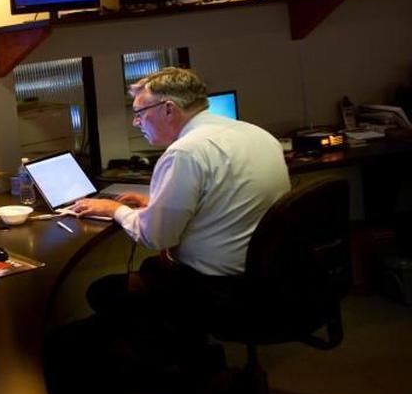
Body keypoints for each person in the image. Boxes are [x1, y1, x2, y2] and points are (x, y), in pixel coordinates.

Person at [71, 67, 290, 333]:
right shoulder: (257, 134)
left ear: (168, 109)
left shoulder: (185, 153)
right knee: (152, 268)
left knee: (103, 290)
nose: (136, 123)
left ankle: (166, 363)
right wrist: (156, 205)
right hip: (266, 274)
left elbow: (156, 237)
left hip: (218, 286)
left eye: (140, 113)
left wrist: (115, 209)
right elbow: (226, 201)